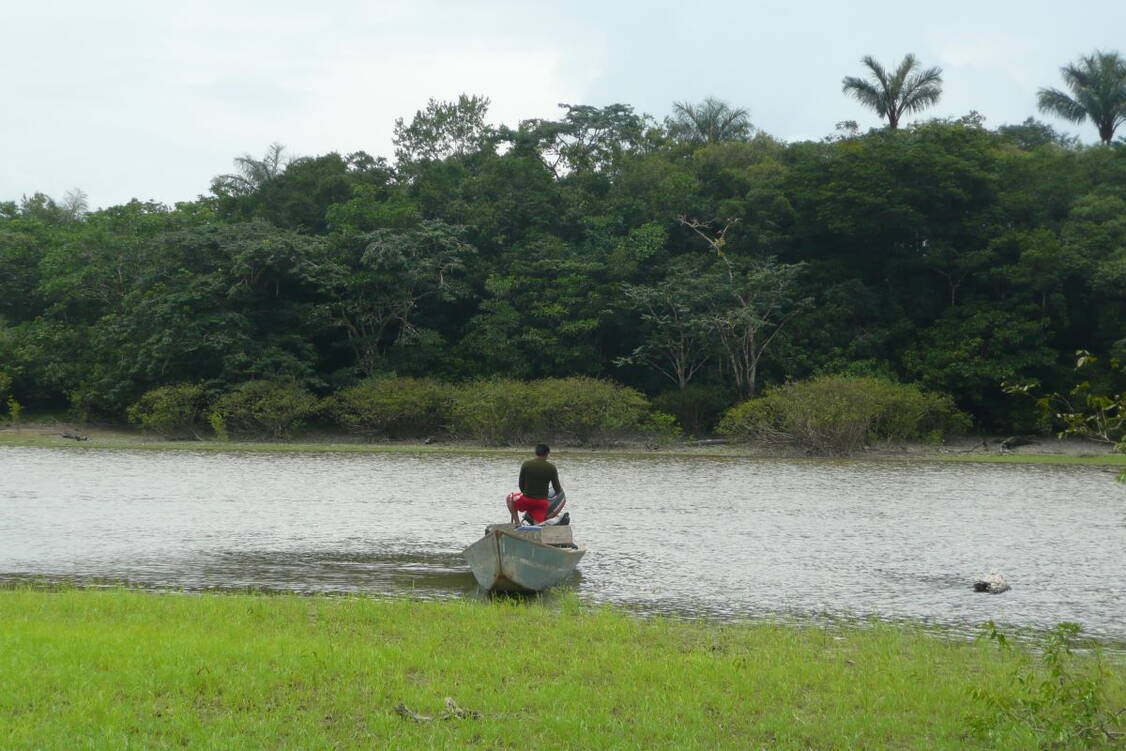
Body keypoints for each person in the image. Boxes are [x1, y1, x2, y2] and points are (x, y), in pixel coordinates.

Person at [507, 444, 565, 526]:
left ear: (536, 452)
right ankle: (535, 531)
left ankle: (517, 523)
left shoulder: (526, 464)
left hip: (526, 500)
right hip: (542, 503)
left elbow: (521, 485)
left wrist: (527, 494)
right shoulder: (551, 468)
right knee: (537, 525)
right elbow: (557, 489)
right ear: (547, 454)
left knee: (509, 498)